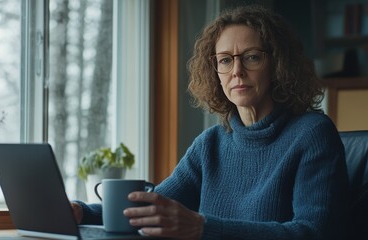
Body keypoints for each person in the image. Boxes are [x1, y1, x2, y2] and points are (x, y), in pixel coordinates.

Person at [71, 4, 349, 240]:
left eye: (252, 57)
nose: (237, 71)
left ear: (278, 64)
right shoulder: (210, 144)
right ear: (214, 71)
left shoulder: (313, 133)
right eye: (225, 60)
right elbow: (154, 206)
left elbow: (312, 232)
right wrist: (83, 211)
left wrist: (202, 228)